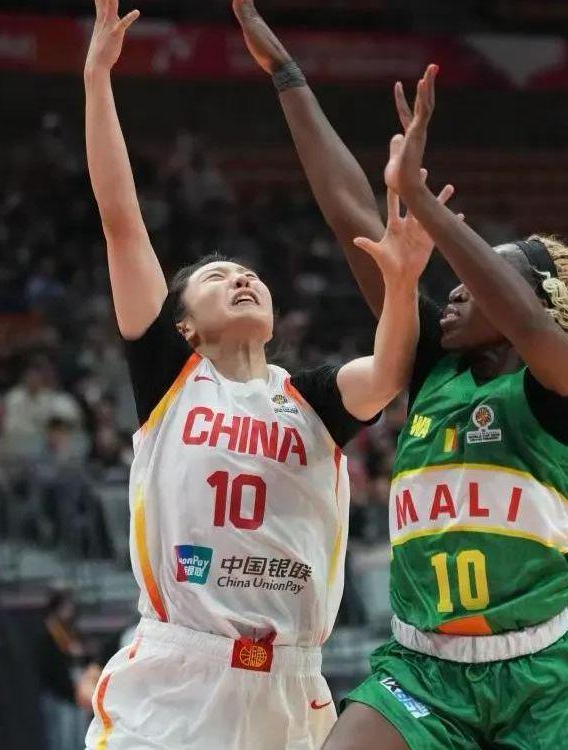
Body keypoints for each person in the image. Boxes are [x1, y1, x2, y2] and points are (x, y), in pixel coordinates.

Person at [232, 4, 568, 748]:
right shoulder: (433, 367)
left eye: (480, 284)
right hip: (423, 670)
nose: (457, 293)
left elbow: (527, 324)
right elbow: (353, 218)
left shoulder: (561, 392)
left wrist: (427, 207)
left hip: (539, 679)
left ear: (527, 304)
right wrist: (287, 75)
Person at [82, 3, 448, 748]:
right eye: (217, 278)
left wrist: (404, 280)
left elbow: (390, 369)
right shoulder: (171, 378)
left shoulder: (309, 398)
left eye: (249, 274)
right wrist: (97, 81)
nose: (242, 279)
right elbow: (122, 220)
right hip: (180, 678)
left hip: (292, 686)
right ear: (184, 324)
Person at [37, 591, 90, 750]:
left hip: (76, 692)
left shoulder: (72, 631)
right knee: (62, 738)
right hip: (59, 694)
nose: (70, 611)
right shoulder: (49, 634)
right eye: (66, 607)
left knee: (79, 737)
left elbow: (82, 657)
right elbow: (49, 667)